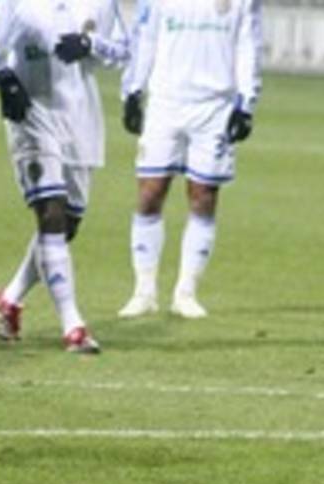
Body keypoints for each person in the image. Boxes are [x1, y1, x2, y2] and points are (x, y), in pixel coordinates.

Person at [0, 0, 129, 353]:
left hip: (80, 119)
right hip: (30, 113)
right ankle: (72, 325)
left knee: (67, 224)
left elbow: (125, 51)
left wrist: (91, 44)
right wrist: (4, 80)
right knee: (50, 212)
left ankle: (10, 297)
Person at [117, 0, 262, 319]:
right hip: (165, 103)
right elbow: (145, 37)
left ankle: (186, 292)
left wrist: (246, 103)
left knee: (203, 196)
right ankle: (144, 291)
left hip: (215, 106)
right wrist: (132, 92)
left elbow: (248, 45)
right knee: (150, 192)